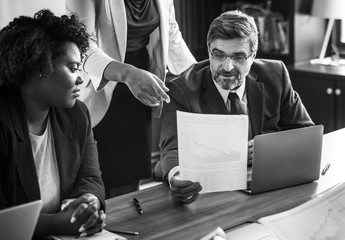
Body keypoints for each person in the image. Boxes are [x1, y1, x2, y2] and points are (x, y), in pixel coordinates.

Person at [159, 10, 314, 204]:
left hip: (268, 188)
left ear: (253, 55)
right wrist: (176, 177)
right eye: (219, 55)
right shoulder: (181, 89)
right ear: (209, 51)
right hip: (209, 195)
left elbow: (305, 133)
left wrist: (268, 149)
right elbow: (171, 149)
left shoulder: (276, 75)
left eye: (238, 57)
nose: (227, 67)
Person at [66, 0, 196, 198]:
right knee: (99, 178)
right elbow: (82, 44)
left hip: (141, 84)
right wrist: (127, 74)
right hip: (102, 80)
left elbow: (170, 31)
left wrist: (197, 76)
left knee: (129, 177)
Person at [0, 10, 106, 237]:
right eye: (74, 68)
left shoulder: (77, 115)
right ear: (40, 67)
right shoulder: (3, 121)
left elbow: (90, 177)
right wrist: (56, 224)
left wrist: (89, 204)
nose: (81, 78)